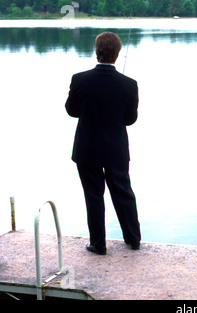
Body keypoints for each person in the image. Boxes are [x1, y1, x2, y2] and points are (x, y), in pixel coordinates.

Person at [65, 32, 141, 255]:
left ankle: (98, 243)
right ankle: (133, 238)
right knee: (123, 192)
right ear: (118, 54)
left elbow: (72, 111)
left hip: (87, 149)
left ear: (96, 52)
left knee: (93, 195)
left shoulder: (79, 79)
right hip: (116, 150)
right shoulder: (129, 84)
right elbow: (130, 119)